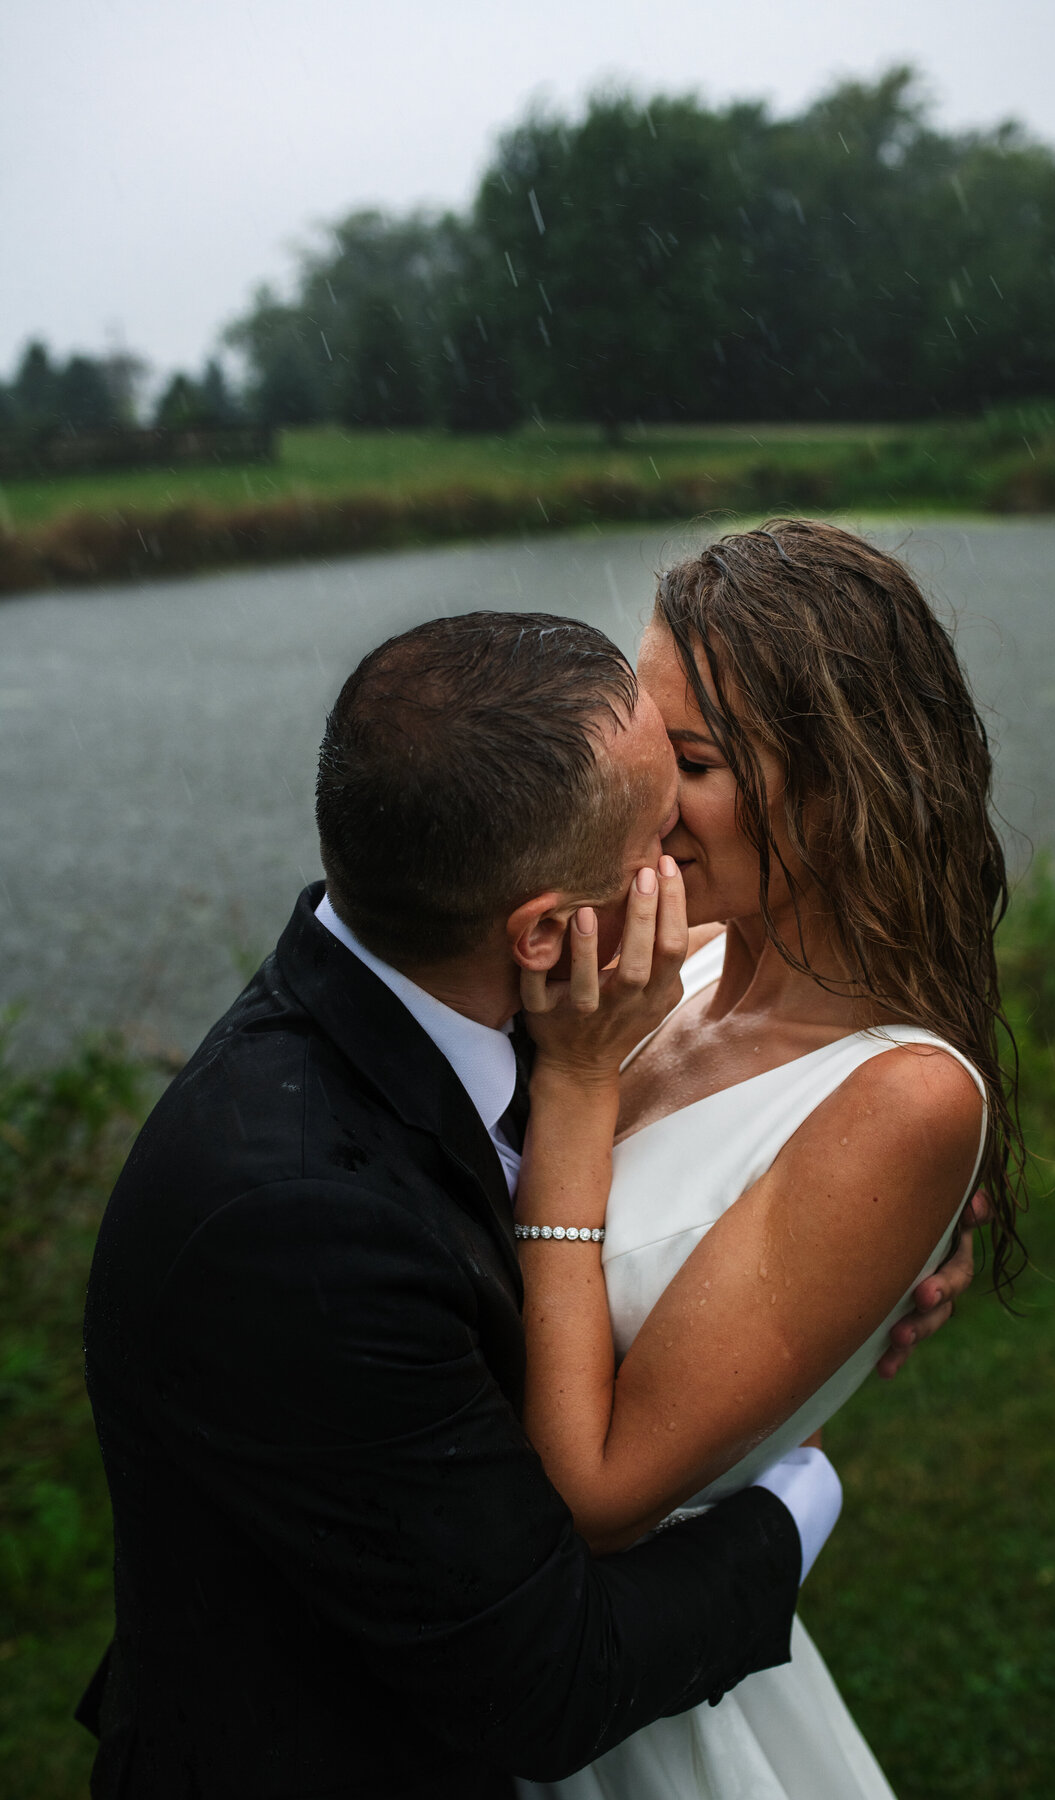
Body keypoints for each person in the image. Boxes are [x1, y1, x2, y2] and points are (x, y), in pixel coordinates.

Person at [78, 606, 981, 1800]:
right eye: (658, 811)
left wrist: (846, 1279)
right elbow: (547, 1685)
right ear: (545, 929)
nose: (675, 835)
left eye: (689, 767)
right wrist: (792, 1482)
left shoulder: (434, 968)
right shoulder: (296, 1215)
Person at [508, 520, 1027, 1800]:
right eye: (640, 746)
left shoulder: (899, 1101)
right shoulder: (662, 957)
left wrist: (572, 1089)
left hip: (606, 1697)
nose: (637, 797)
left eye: (688, 761)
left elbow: (606, 1495)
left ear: (842, 779)